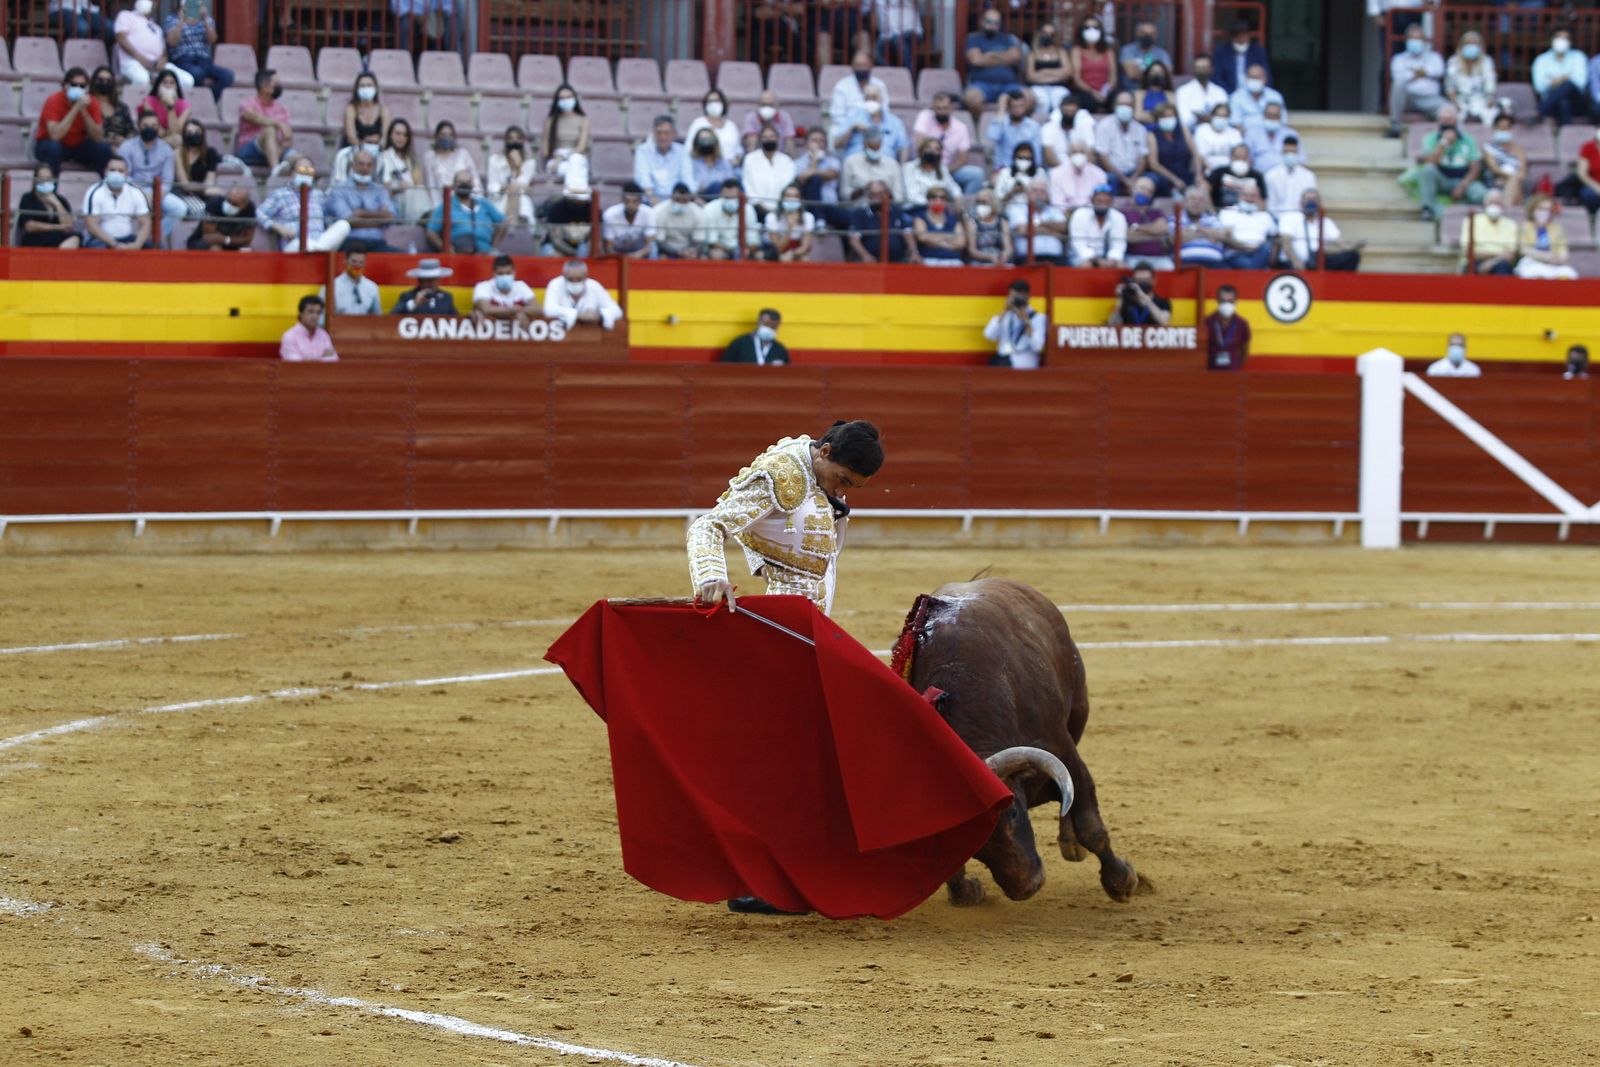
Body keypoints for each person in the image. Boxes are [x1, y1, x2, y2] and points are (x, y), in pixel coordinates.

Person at [687, 420, 884, 622]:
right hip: (785, 616)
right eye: (842, 480)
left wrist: (763, 560)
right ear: (824, 452)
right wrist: (711, 576)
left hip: (813, 611)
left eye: (852, 486)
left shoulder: (820, 470)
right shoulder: (778, 476)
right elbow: (708, 525)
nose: (841, 492)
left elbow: (757, 521)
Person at [119, 107, 187, 246]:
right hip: (133, 191)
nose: (150, 128)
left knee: (179, 208)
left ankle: (152, 237)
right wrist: (142, 193)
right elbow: (124, 176)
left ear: (159, 128)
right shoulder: (127, 147)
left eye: (153, 126)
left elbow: (167, 180)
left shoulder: (166, 149)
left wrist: (158, 194)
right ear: (138, 126)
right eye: (146, 126)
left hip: (158, 192)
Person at [259, 157, 352, 252]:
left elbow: (328, 218)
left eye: (309, 170)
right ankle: (320, 250)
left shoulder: (318, 194)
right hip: (294, 243)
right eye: (301, 170)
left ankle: (317, 249)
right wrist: (278, 227)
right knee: (305, 244)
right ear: (292, 173)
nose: (305, 173)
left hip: (319, 240)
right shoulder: (280, 194)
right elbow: (260, 213)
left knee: (344, 225)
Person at [34, 68, 113, 176]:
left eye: (82, 86)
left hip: (78, 146)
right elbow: (55, 136)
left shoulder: (92, 102)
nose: (78, 88)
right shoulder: (54, 100)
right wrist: (76, 109)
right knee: (53, 149)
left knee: (103, 150)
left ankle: (101, 189)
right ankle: (51, 190)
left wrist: (84, 111)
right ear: (66, 86)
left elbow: (98, 137)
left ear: (87, 88)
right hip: (50, 143)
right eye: (74, 85)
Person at [1411, 105, 1484, 222]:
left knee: (1480, 193)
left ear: (1456, 121)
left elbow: (1475, 166)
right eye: (1443, 119)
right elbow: (1431, 162)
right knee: (1427, 170)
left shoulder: (1468, 139)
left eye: (1449, 119)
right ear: (1439, 121)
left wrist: (1462, 186)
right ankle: (1427, 209)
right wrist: (1443, 143)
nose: (1447, 123)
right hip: (1442, 178)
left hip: (1463, 179)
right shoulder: (1430, 138)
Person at [327, 149, 399, 252]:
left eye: (369, 165)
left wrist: (361, 213)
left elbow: (390, 217)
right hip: (351, 243)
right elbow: (348, 221)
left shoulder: (380, 190)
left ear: (373, 167)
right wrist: (379, 218)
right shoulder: (339, 190)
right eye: (361, 164)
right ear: (353, 166)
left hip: (377, 242)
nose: (365, 168)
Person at [114, 0, 195, 92]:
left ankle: (172, 105)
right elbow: (121, 38)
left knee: (187, 80)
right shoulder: (125, 15)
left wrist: (163, 60)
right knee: (142, 79)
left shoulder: (156, 27)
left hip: (156, 66)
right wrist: (140, 59)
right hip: (132, 62)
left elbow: (164, 51)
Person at [1276, 188, 1363, 272]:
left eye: (1314, 199)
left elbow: (1341, 243)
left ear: (1319, 203)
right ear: (1301, 202)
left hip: (1320, 261)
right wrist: (1295, 260)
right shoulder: (1290, 217)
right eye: (1308, 199)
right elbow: (1286, 243)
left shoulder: (1326, 222)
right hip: (1295, 263)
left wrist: (1354, 247)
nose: (1311, 201)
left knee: (1352, 256)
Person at [164, 1, 232, 104]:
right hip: (183, 60)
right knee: (197, 73)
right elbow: (172, 42)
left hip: (204, 60)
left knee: (227, 75)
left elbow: (212, 39)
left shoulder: (206, 20)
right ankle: (196, 102)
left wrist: (204, 20)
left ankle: (210, 101)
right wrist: (181, 20)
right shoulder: (172, 19)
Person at [1386, 23, 1446, 137]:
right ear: (1406, 40)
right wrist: (1424, 73)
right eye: (1412, 38)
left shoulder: (1434, 57)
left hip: (1430, 99)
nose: (1415, 41)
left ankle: (1444, 136)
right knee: (1398, 85)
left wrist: (1416, 73)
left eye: (1418, 39)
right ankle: (1395, 127)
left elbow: (1439, 71)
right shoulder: (1399, 59)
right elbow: (1399, 77)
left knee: (1448, 109)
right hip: (1408, 99)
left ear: (1424, 41)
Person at [426, 169, 506, 254]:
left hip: (485, 252)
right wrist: (445, 247)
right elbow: (431, 231)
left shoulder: (483, 202)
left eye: (468, 182)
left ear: (473, 184)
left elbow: (504, 221)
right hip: (459, 253)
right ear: (454, 185)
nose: (464, 185)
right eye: (460, 182)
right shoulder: (446, 205)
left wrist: (493, 246)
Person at [962, 10, 1025, 117]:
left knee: (1029, 98)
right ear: (982, 22)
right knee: (971, 98)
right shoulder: (974, 38)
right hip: (981, 85)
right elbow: (976, 60)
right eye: (989, 21)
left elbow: (1015, 57)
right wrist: (1004, 56)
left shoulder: (1008, 39)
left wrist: (989, 55)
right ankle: (981, 127)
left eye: (996, 23)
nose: (992, 25)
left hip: (1008, 85)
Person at [82, 158, 150, 249]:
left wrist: (137, 245)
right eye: (112, 170)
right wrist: (115, 244)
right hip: (101, 240)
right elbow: (91, 225)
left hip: (128, 238)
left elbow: (146, 223)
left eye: (120, 171)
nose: (116, 174)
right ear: (105, 172)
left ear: (127, 174)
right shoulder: (94, 192)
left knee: (152, 248)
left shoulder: (136, 192)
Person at [844, 179, 915, 263]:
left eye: (881, 193)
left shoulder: (897, 211)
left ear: (888, 194)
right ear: (869, 196)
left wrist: (914, 253)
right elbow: (854, 239)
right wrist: (865, 256)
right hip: (868, 261)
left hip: (898, 260)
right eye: (874, 194)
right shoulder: (859, 213)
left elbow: (907, 233)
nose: (878, 197)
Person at [235, 69, 293, 171]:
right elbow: (253, 117)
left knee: (301, 160)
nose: (279, 86)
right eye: (276, 83)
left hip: (276, 150)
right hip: (249, 150)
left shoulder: (282, 108)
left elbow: (288, 137)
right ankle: (276, 170)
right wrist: (278, 123)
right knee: (269, 130)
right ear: (265, 87)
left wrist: (281, 147)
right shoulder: (247, 103)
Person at [542, 259, 624, 330]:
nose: (574, 282)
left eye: (579, 279)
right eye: (570, 279)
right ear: (564, 276)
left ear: (586, 277)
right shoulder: (555, 284)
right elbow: (549, 310)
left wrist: (599, 315)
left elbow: (617, 311)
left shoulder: (594, 286)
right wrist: (579, 315)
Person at [982, 280, 1047, 368]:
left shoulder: (1038, 318)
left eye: (1017, 297)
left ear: (1027, 296)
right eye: (1012, 297)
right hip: (1002, 360)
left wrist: (1026, 321)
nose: (1015, 300)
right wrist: (1004, 311)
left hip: (1023, 362)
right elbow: (988, 335)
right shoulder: (1005, 316)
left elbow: (1037, 346)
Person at [1532, 29, 1588, 129]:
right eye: (1558, 37)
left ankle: (1538, 111)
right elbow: (1539, 87)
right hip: (1551, 103)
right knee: (1562, 101)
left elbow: (1580, 83)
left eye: (1566, 38)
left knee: (1568, 85)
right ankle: (1566, 139)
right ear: (1551, 40)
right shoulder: (1541, 60)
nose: (1562, 40)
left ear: (1571, 41)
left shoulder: (1579, 57)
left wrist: (1554, 80)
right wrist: (1565, 77)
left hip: (1576, 103)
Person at [836, 84, 907, 161]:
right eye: (868, 98)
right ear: (863, 99)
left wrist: (902, 169)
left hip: (886, 165)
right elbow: (837, 145)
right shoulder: (853, 118)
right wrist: (852, 129)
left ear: (881, 99)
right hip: (858, 164)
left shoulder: (894, 122)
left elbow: (903, 147)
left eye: (874, 97)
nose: (871, 101)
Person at [16, 165, 82, 249]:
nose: (45, 181)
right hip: (36, 238)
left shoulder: (61, 200)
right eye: (41, 178)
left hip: (58, 238)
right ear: (35, 180)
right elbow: (29, 226)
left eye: (48, 178)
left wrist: (57, 203)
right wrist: (58, 227)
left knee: (75, 237)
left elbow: (68, 224)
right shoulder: (28, 198)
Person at [1093, 91, 1147, 193]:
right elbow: (1103, 157)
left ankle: (1143, 208)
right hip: (1113, 172)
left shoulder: (1140, 129)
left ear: (1134, 108)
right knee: (1111, 178)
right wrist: (1124, 180)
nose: (1124, 108)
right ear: (1114, 107)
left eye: (1128, 105)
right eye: (1121, 104)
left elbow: (1143, 158)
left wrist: (1134, 178)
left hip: (1134, 173)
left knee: (1153, 179)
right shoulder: (1104, 126)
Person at [1007, 177, 1069, 266]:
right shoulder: (1018, 208)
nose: (1039, 194)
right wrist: (1051, 232)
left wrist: (1037, 223)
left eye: (1042, 191)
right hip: (1026, 259)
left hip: (1055, 259)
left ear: (1047, 195)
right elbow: (1022, 229)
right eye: (1035, 191)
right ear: (1027, 194)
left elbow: (1063, 227)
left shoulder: (1054, 210)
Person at [1515, 195, 1578, 280]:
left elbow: (1563, 251)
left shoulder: (1557, 228)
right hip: (1532, 261)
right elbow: (1524, 249)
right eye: (1541, 209)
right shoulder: (1525, 226)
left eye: (1548, 209)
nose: (1544, 212)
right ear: (1533, 209)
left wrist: (1559, 259)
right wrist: (1544, 256)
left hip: (1554, 263)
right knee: (1532, 273)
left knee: (1569, 274)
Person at [380, 118, 430, 223]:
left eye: (405, 135)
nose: (401, 138)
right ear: (390, 135)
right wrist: (398, 186)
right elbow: (383, 185)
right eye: (398, 134)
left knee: (420, 191)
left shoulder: (412, 159)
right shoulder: (382, 157)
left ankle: (426, 219)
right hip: (394, 197)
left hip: (413, 197)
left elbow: (418, 183)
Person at [1445, 31, 1498, 127]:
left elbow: (1490, 84)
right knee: (1452, 116)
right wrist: (1456, 104)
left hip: (1480, 99)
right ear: (1461, 46)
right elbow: (1449, 88)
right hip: (1458, 99)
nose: (1471, 47)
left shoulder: (1486, 61)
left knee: (1491, 114)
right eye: (1468, 44)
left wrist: (1490, 99)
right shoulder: (1453, 62)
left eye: (1475, 44)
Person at [1458, 188, 1517, 274]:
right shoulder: (1471, 220)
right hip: (1475, 262)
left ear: (1503, 205)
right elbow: (1467, 252)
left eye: (1497, 203)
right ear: (1485, 204)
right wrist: (1498, 254)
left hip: (1500, 263)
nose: (1494, 206)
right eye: (1491, 203)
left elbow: (1510, 255)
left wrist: (1491, 262)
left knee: (1503, 268)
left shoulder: (1511, 224)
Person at [471, 254, 541, 326]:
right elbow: (486, 309)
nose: (504, 276)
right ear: (494, 274)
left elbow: (537, 309)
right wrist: (513, 312)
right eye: (500, 274)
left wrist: (518, 311)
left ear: (514, 273)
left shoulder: (521, 286)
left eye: (508, 273)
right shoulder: (483, 287)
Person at [486, 127, 537, 224]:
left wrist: (517, 168)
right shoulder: (494, 160)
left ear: (523, 141)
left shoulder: (530, 163)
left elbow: (522, 187)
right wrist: (503, 188)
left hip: (521, 200)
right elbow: (491, 186)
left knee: (521, 201)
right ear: (505, 141)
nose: (515, 141)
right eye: (511, 138)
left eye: (518, 138)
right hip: (500, 198)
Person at [1146, 102, 1198, 197]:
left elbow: (1195, 153)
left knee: (1201, 186)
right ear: (1158, 119)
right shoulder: (1152, 135)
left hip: (1185, 172)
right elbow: (1153, 164)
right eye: (1164, 117)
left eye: (1170, 116)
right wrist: (1174, 180)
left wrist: (1199, 175)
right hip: (1165, 176)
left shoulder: (1183, 130)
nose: (1168, 119)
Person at [703, 177, 763, 260]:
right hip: (720, 249)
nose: (730, 201)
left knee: (759, 255)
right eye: (727, 198)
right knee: (716, 254)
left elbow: (753, 240)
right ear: (721, 195)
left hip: (742, 249)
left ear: (740, 196)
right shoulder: (709, 209)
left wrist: (745, 250)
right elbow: (712, 240)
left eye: (733, 198)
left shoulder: (749, 210)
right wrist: (731, 252)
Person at [1068, 184, 1127, 269]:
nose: (1102, 205)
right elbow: (1079, 244)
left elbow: (1119, 245)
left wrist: (1111, 260)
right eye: (1099, 201)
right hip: (1083, 257)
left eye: (1106, 201)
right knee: (1087, 265)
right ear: (1092, 200)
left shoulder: (1118, 217)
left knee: (1122, 267)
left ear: (1111, 202)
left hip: (1109, 259)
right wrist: (1096, 260)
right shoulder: (1080, 214)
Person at [1217, 184, 1276, 269]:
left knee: (1267, 246)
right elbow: (1225, 237)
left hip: (1259, 252)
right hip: (1236, 252)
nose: (1249, 198)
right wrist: (1243, 247)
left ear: (1258, 197)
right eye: (1245, 195)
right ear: (1239, 196)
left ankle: (1253, 270)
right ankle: (1254, 271)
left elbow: (1275, 238)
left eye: (1253, 195)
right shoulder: (1228, 212)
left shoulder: (1265, 215)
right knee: (1253, 266)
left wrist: (1272, 259)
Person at [986, 94, 1043, 180]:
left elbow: (1037, 155)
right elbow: (993, 136)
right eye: (1014, 106)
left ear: (1025, 106)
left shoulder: (1033, 126)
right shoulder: (1001, 123)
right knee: (993, 183)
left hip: (1027, 169)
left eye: (1021, 106)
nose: (1018, 110)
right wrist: (1001, 109)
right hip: (1003, 170)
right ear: (1008, 108)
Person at [743, 124, 799, 211]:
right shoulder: (750, 159)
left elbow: (788, 186)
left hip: (782, 209)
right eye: (765, 137)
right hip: (757, 208)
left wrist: (779, 207)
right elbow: (748, 186)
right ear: (760, 140)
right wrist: (759, 205)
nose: (769, 139)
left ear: (778, 139)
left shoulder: (787, 161)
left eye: (772, 136)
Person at [840, 127, 905, 202]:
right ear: (864, 144)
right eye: (871, 147)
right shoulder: (850, 162)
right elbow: (844, 195)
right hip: (859, 208)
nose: (874, 151)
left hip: (887, 208)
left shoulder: (893, 164)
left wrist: (885, 191)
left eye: (877, 147)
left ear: (881, 144)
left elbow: (899, 197)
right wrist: (864, 190)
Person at [422, 120, 479, 207]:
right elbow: (431, 187)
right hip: (441, 204)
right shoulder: (430, 157)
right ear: (436, 136)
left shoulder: (463, 154)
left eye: (450, 135)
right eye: (443, 135)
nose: (447, 138)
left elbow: (475, 181)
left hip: (465, 203)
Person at [634, 116, 689, 204]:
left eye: (666, 133)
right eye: (659, 132)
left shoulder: (682, 151)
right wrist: (653, 199)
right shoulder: (642, 151)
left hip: (677, 200)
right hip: (650, 201)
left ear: (673, 134)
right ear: (653, 133)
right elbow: (643, 178)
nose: (662, 137)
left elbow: (687, 177)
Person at [1024, 22, 1073, 120]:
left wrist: (1044, 72)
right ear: (1040, 34)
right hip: (1037, 87)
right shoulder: (1033, 53)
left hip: (1058, 87)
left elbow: (1067, 72)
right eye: (1045, 33)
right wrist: (1056, 75)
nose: (1048, 36)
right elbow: (1030, 75)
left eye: (1051, 34)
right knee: (1043, 101)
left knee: (1059, 100)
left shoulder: (1061, 52)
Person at [1122, 175, 1173, 270]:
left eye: (1149, 191)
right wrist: (1153, 232)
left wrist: (1136, 227)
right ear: (1133, 188)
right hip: (1133, 257)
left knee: (1169, 267)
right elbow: (1128, 236)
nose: (1145, 192)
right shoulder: (1124, 210)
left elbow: (1162, 230)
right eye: (1142, 188)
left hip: (1158, 258)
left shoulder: (1156, 211)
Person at [540, 83, 591, 177]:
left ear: (575, 98)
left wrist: (564, 156)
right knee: (570, 169)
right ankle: (579, 191)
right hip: (555, 159)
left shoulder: (583, 120)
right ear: (557, 101)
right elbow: (545, 150)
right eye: (562, 98)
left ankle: (572, 191)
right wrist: (557, 157)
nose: (566, 100)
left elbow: (581, 147)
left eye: (569, 97)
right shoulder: (550, 120)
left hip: (576, 157)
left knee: (575, 161)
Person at [1068, 14, 1116, 114]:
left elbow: (1113, 76)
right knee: (1086, 102)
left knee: (1118, 99)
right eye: (1087, 27)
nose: (1091, 30)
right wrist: (1093, 92)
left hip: (1106, 92)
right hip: (1085, 91)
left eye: (1095, 27)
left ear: (1101, 30)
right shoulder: (1077, 50)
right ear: (1082, 31)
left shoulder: (1108, 51)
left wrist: (1106, 92)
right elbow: (1077, 78)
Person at [542, 168, 594, 257]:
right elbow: (556, 240)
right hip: (556, 246)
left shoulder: (593, 209)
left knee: (584, 250)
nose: (577, 202)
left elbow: (595, 239)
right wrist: (573, 254)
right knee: (550, 252)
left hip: (581, 247)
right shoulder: (557, 209)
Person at [1212, 18, 1271, 96]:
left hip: (1254, 95)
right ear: (1232, 37)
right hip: (1228, 94)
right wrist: (1230, 94)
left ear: (1249, 36)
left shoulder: (1258, 52)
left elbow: (1267, 77)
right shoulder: (1221, 52)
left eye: (1244, 36)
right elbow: (1217, 77)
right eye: (1237, 37)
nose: (1241, 40)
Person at [830, 50, 889, 128]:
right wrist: (853, 126)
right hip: (847, 131)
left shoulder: (880, 85)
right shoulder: (842, 86)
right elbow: (837, 116)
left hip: (875, 129)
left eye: (864, 65)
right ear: (852, 67)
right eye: (858, 65)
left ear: (871, 66)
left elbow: (885, 111)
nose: (861, 68)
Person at [172, 119, 220, 215]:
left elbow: (210, 181)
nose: (194, 135)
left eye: (197, 132)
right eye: (189, 132)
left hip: (203, 194)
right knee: (203, 210)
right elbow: (185, 185)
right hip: (182, 194)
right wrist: (204, 187)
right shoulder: (178, 153)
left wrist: (206, 189)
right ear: (184, 135)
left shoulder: (210, 153)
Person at [187, 185, 256, 250]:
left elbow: (247, 239)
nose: (230, 205)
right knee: (215, 248)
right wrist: (235, 239)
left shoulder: (250, 209)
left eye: (235, 204)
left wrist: (226, 239)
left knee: (247, 250)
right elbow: (210, 237)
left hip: (231, 243)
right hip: (202, 241)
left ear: (244, 205)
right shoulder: (214, 204)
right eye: (228, 200)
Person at [1046, 137, 1105, 212]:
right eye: (1075, 152)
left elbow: (1100, 202)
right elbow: (1057, 203)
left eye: (1081, 152)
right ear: (1069, 154)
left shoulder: (1099, 174)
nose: (1078, 156)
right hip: (1066, 215)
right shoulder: (1056, 174)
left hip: (1091, 215)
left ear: (1087, 154)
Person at [911, 185, 966, 266]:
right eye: (934, 197)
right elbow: (923, 238)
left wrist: (933, 239)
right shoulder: (920, 218)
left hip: (953, 261)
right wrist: (949, 237)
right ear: (928, 200)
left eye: (942, 198)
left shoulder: (953, 219)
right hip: (928, 261)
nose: (938, 200)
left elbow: (961, 243)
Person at [601, 182, 658, 259]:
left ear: (640, 200)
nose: (630, 205)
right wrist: (622, 258)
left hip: (640, 252)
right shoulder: (610, 214)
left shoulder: (649, 213)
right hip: (618, 252)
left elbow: (649, 245)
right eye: (627, 201)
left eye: (634, 201)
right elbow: (608, 248)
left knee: (654, 247)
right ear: (622, 199)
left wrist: (638, 255)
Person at [686, 90, 742, 166]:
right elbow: (689, 149)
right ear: (705, 105)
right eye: (710, 101)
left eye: (717, 101)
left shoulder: (731, 125)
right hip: (705, 169)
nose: (714, 104)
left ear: (723, 103)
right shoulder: (698, 123)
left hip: (731, 169)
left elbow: (738, 150)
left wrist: (736, 161)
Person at [1107, 262, 1172, 326]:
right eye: (1139, 280)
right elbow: (1112, 325)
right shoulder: (1127, 301)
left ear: (1153, 280)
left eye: (1145, 280)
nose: (1142, 283)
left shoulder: (1163, 302)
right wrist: (1120, 299)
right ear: (1134, 281)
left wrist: (1144, 297)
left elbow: (1164, 321)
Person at [1040, 94, 1096, 169]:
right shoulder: (1048, 127)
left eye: (1072, 109)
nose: (1069, 111)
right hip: (1057, 169)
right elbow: (1049, 158)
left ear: (1077, 111)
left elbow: (1091, 155)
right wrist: (1066, 172)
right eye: (1067, 108)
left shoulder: (1085, 125)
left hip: (1082, 169)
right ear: (1060, 109)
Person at [1482, 113, 1526, 207]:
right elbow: (1494, 167)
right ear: (1495, 129)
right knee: (1514, 179)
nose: (1504, 130)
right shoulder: (1489, 148)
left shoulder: (1518, 149)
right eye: (1501, 128)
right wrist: (1508, 176)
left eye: (1507, 128)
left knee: (1516, 181)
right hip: (1495, 182)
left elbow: (1522, 170)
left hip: (1515, 182)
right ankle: (1508, 207)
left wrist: (1510, 178)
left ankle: (1507, 206)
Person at [1175, 186, 1226, 267]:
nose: (1196, 202)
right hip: (1186, 261)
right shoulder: (1175, 218)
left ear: (1206, 204)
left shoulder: (1213, 219)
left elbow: (1221, 236)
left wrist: (1193, 231)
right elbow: (1176, 238)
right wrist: (1208, 233)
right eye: (1192, 199)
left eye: (1201, 200)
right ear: (1185, 202)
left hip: (1214, 262)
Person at [1263, 138, 1317, 214]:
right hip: (1278, 218)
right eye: (1287, 152)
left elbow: (1311, 201)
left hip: (1301, 218)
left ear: (1298, 153)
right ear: (1282, 152)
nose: (1290, 155)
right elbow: (1271, 203)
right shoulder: (1271, 175)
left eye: (1293, 152)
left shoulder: (1309, 176)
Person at [763, 185, 815, 262]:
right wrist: (789, 227)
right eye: (788, 196)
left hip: (797, 253)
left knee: (804, 260)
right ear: (782, 198)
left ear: (800, 200)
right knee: (784, 259)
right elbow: (778, 248)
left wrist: (792, 253)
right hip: (776, 252)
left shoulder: (808, 217)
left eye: (796, 196)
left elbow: (804, 247)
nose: (792, 199)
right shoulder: (772, 217)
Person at [793, 128, 843, 208]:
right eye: (814, 140)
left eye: (821, 140)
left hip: (830, 205)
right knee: (814, 179)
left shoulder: (833, 161)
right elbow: (802, 181)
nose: (818, 144)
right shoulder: (798, 162)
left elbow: (831, 175)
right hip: (808, 206)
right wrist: (815, 159)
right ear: (806, 144)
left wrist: (811, 172)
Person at [1175, 54, 1227, 130]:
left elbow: (1225, 116)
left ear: (1211, 69)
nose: (1202, 70)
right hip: (1192, 132)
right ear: (1193, 69)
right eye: (1198, 68)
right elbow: (1184, 119)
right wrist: (1200, 119)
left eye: (1204, 67)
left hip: (1217, 132)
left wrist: (1209, 118)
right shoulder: (1183, 91)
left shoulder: (1220, 92)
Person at [1244, 101, 1298, 174]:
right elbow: (1247, 158)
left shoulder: (1291, 134)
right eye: (1269, 115)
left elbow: (1300, 159)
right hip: (1260, 176)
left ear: (1280, 117)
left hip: (1284, 176)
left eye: (1275, 116)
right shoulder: (1252, 134)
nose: (1272, 118)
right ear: (1264, 116)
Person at [1229, 65, 1285, 135]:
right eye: (1252, 77)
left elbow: (1282, 121)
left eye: (1257, 77)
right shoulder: (1236, 97)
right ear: (1246, 79)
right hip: (1245, 138)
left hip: (1272, 137)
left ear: (1265, 79)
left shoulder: (1275, 96)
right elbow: (1235, 122)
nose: (1255, 80)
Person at [1203, 285, 1250, 370]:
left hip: (1233, 373)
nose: (1226, 304)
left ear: (1236, 301)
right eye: (1223, 301)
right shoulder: (1207, 322)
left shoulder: (1242, 324)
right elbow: (1201, 350)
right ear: (1217, 301)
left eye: (1230, 301)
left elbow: (1245, 350)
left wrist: (1237, 365)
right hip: (1211, 374)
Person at [686, 124, 738, 200]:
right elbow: (691, 186)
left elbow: (730, 182)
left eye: (709, 139)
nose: (706, 143)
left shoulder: (723, 163)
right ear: (696, 143)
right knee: (716, 185)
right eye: (703, 140)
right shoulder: (691, 162)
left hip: (723, 199)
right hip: (700, 198)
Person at [721, 309, 790, 364]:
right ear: (758, 322)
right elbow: (724, 368)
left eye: (773, 326)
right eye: (766, 324)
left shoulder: (780, 350)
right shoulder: (739, 344)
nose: (769, 328)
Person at [281, 295, 338, 362]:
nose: (315, 316)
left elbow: (331, 359)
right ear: (300, 314)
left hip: (322, 372)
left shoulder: (323, 335)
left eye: (318, 312)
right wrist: (320, 361)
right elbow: (296, 364)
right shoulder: (290, 336)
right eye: (310, 311)